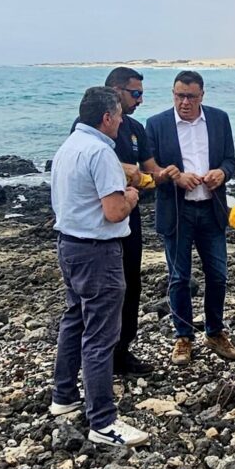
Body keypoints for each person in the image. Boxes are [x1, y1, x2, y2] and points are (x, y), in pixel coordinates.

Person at [49, 86, 149, 447]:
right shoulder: (100, 152)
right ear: (107, 117)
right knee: (101, 335)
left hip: (69, 245)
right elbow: (113, 211)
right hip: (98, 251)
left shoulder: (68, 147)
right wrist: (132, 197)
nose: (123, 121)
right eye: (120, 115)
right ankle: (103, 422)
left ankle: (63, 396)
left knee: (74, 318)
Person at [71, 67, 179, 377]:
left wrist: (165, 176)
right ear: (115, 92)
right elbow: (97, 163)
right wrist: (131, 173)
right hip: (98, 224)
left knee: (131, 284)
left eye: (142, 93)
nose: (141, 100)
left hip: (129, 221)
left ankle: (122, 351)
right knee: (98, 293)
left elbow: (149, 170)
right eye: (135, 93)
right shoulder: (86, 129)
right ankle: (97, 357)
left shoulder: (134, 129)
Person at [146, 71, 235, 366]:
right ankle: (183, 336)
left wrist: (221, 173)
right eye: (179, 95)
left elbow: (230, 160)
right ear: (173, 93)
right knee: (179, 278)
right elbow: (150, 169)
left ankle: (215, 331)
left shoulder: (219, 119)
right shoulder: (157, 124)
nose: (184, 102)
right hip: (177, 211)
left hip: (211, 209)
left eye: (191, 97)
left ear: (202, 95)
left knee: (218, 275)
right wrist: (175, 177)